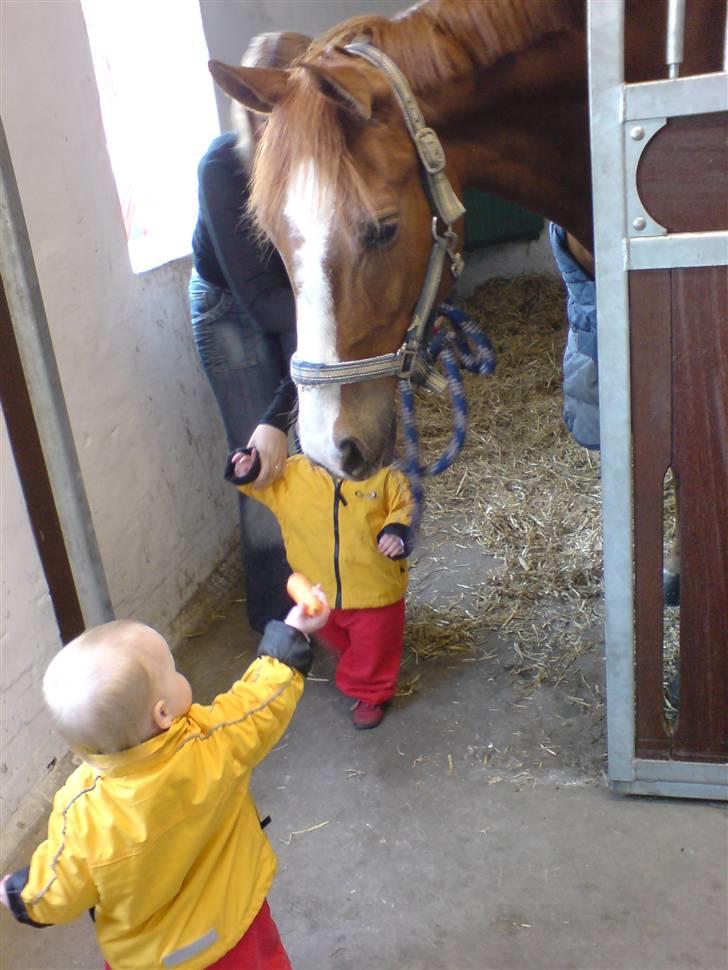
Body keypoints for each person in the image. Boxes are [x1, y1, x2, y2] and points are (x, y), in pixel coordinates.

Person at [0, 597, 329, 970]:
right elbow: (261, 703)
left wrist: (22, 895)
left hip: (152, 959)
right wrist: (290, 635)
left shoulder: (82, 814)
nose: (179, 673)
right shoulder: (214, 741)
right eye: (173, 670)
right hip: (235, 925)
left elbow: (61, 885)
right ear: (163, 713)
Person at [190, 31, 310, 633]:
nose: (274, 130)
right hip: (231, 309)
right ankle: (275, 623)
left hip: (293, 302)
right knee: (260, 466)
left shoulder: (315, 160)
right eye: (262, 113)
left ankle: (326, 596)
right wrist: (276, 412)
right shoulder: (224, 168)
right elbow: (265, 302)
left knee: (309, 453)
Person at [225, 448, 415, 729]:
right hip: (318, 589)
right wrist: (247, 470)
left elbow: (407, 506)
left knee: (375, 646)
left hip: (374, 590)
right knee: (334, 636)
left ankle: (372, 693)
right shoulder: (291, 473)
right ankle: (357, 662)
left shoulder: (385, 473)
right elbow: (258, 486)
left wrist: (397, 532)